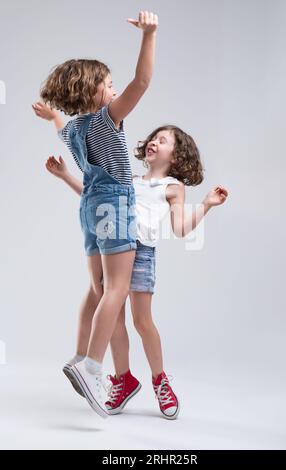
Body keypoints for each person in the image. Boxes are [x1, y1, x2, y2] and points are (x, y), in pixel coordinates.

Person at [44, 125, 228, 420]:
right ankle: (123, 378)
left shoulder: (171, 187)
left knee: (142, 321)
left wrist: (206, 205)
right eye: (154, 137)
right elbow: (96, 197)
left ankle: (160, 380)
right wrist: (66, 176)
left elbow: (180, 229)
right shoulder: (128, 180)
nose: (155, 141)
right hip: (115, 249)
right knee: (114, 318)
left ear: (177, 157)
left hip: (141, 253)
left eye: (163, 140)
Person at [32, 11, 159, 419]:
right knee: (116, 290)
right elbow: (142, 83)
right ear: (94, 94)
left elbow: (60, 127)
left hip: (89, 207)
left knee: (97, 288)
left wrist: (53, 115)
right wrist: (149, 36)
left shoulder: (73, 130)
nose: (115, 88)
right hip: (115, 204)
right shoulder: (107, 119)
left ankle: (80, 356)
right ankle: (92, 365)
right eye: (108, 84)